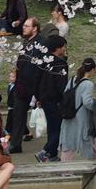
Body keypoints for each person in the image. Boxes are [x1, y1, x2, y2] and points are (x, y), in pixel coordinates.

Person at [8, 17, 46, 154]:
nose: (23, 28)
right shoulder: (26, 42)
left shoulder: (41, 43)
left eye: (27, 26)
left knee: (48, 112)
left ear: (35, 28)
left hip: (36, 83)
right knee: (18, 113)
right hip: (22, 84)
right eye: (24, 25)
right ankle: (15, 143)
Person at [35, 35, 68, 163]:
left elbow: (36, 80)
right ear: (58, 48)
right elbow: (61, 85)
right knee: (58, 128)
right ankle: (46, 151)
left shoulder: (43, 61)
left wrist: (38, 97)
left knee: (51, 127)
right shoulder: (60, 64)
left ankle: (52, 153)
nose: (65, 49)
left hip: (44, 99)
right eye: (63, 46)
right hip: (55, 100)